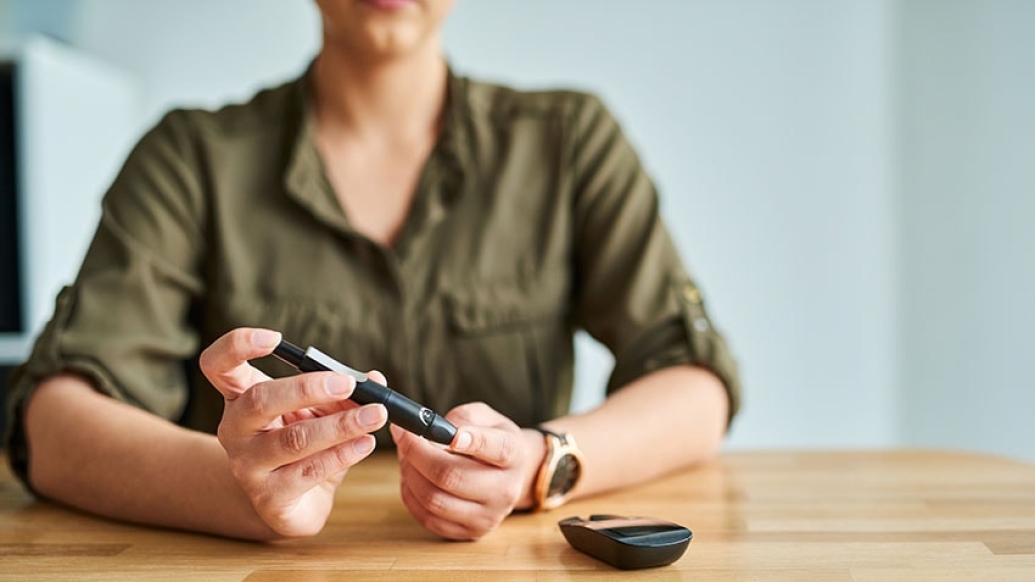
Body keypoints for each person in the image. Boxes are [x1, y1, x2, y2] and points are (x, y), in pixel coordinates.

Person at [4, 0, 740, 541]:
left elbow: (694, 383)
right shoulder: (190, 158)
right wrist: (247, 492)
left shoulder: (571, 143)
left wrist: (543, 463)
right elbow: (49, 422)